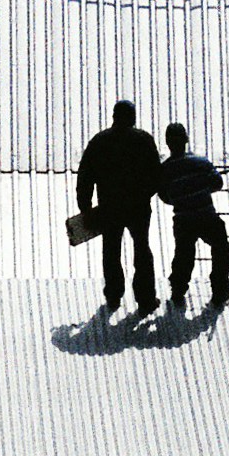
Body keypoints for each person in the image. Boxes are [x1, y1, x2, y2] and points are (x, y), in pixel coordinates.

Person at [74, 99, 162, 314]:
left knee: (111, 250)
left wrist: (86, 209)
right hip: (138, 207)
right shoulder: (143, 140)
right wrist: (144, 195)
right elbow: (156, 175)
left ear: (114, 116)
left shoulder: (100, 141)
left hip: (109, 207)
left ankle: (113, 295)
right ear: (132, 117)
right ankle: (146, 299)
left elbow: (85, 177)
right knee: (141, 247)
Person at [156, 124, 229, 313]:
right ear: (186, 140)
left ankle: (178, 289)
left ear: (167, 143)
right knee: (221, 247)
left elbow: (164, 196)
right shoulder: (201, 162)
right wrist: (201, 190)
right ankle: (220, 290)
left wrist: (180, 197)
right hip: (206, 214)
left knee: (183, 253)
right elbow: (217, 183)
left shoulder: (165, 169)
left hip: (183, 217)